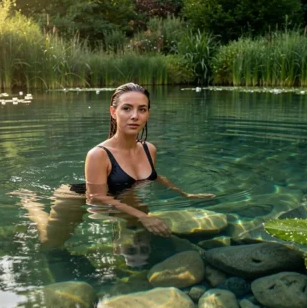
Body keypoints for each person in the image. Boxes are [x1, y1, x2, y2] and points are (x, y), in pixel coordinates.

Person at [84, 82, 213, 237]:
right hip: (89, 202)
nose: (135, 116)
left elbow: (153, 176)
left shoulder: (149, 149)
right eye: (126, 108)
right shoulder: (98, 155)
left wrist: (185, 194)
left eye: (142, 109)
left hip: (130, 203)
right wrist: (142, 216)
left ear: (148, 114)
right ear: (113, 112)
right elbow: (96, 197)